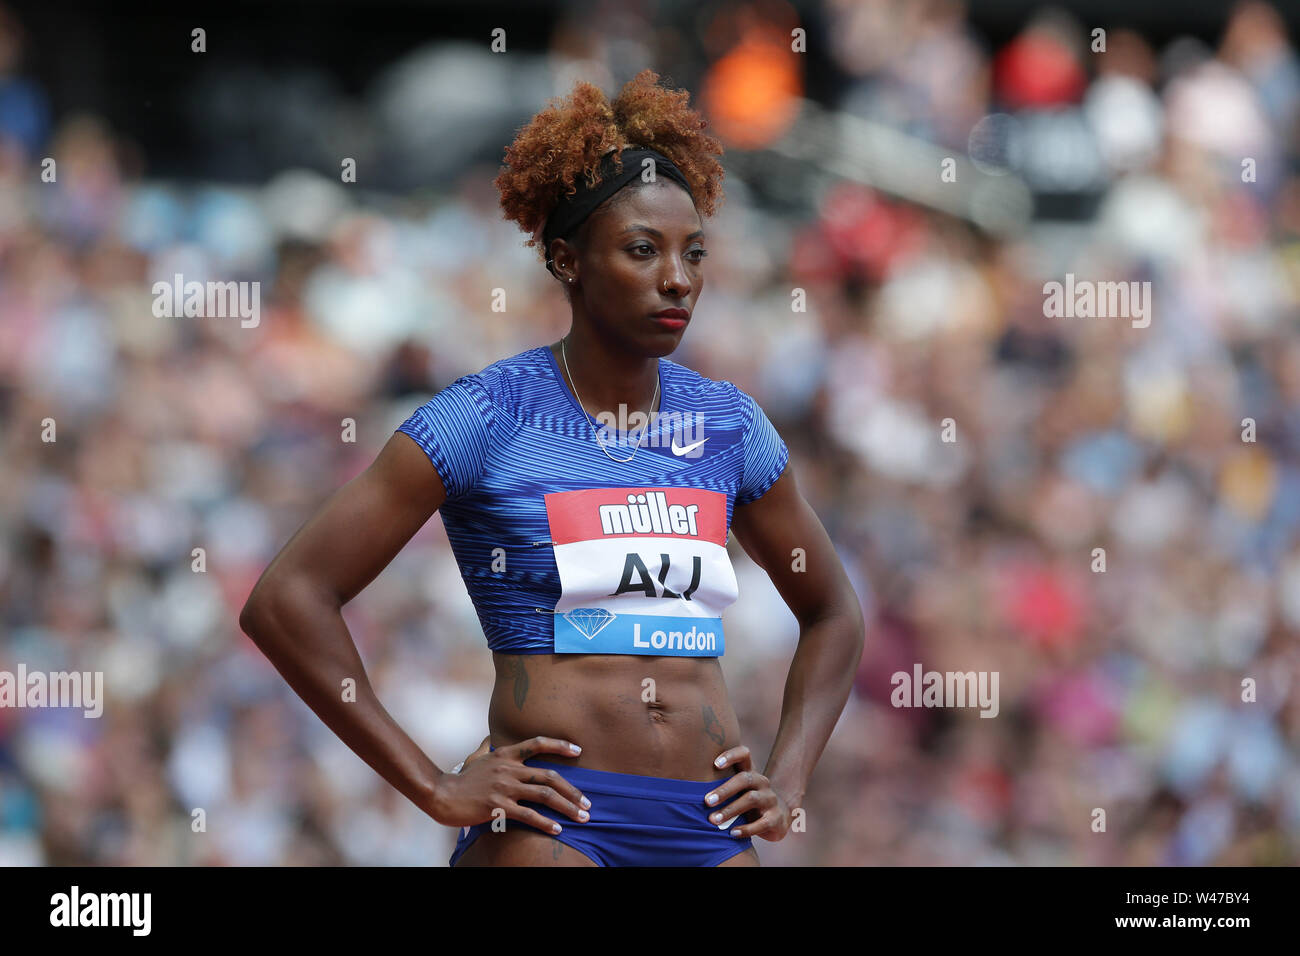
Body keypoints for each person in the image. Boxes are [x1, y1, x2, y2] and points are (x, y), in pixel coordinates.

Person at [239, 69, 866, 867]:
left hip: (706, 825)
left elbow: (834, 611)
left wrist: (789, 776)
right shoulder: (486, 417)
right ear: (567, 260)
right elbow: (287, 597)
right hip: (558, 825)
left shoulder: (727, 425)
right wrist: (430, 786)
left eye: (693, 252)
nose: (678, 277)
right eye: (643, 250)